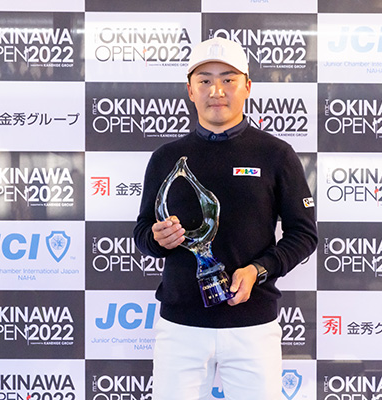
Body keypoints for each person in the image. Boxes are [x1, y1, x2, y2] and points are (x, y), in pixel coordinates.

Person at [133, 37, 318, 400]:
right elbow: (142, 233)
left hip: (252, 327)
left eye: (228, 79)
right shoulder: (165, 157)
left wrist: (258, 270)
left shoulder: (276, 154)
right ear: (190, 90)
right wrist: (157, 238)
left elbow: (303, 234)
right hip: (181, 328)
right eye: (205, 80)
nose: (216, 90)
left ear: (247, 86)